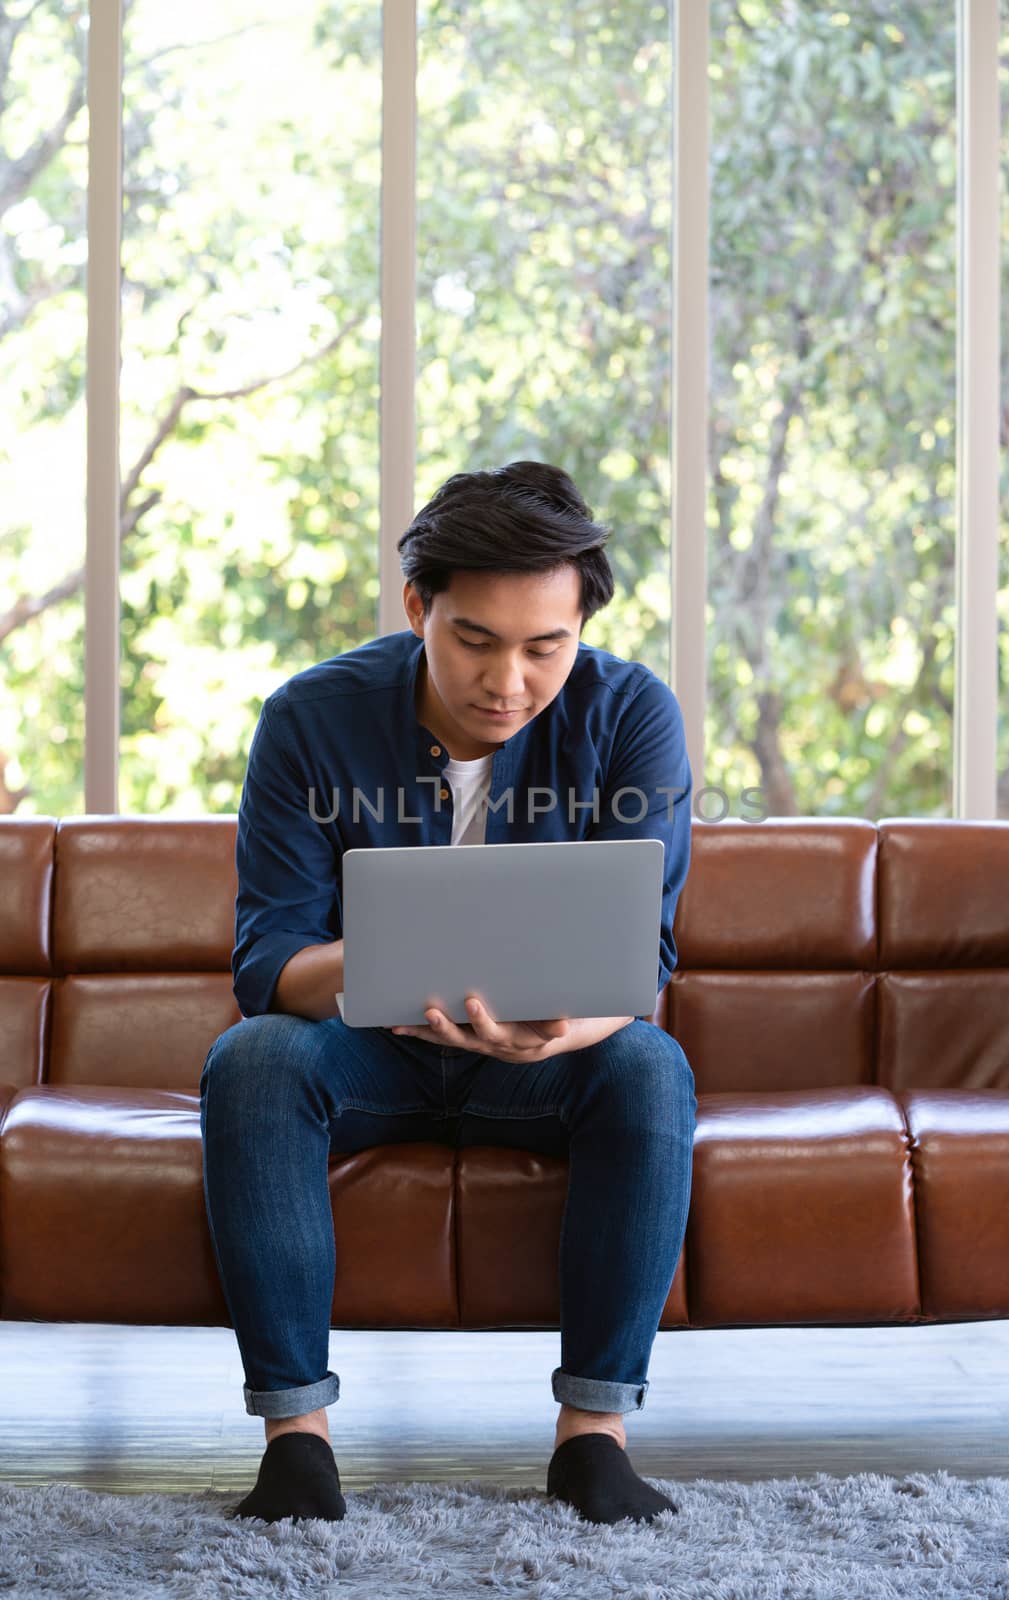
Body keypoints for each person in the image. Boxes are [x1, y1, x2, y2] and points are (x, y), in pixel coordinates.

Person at [199, 460, 697, 1527]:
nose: (508, 680)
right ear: (419, 605)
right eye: (475, 638)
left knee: (648, 1065)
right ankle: (297, 1444)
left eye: (543, 647)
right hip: (367, 1052)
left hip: (544, 1063)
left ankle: (593, 1439)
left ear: (580, 630)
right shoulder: (308, 720)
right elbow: (267, 968)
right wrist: (396, 954)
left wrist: (572, 1019)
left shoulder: (631, 717)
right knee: (252, 1060)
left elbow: (640, 964)